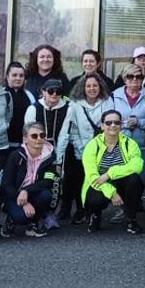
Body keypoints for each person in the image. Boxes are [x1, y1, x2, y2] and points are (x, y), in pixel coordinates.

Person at [56, 74, 113, 224]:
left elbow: (112, 127)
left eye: (95, 85)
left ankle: (94, 212)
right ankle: (81, 210)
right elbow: (69, 130)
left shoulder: (107, 102)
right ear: (83, 87)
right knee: (79, 181)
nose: (92, 89)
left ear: (100, 86)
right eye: (88, 86)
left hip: (103, 151)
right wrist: (60, 156)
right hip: (81, 150)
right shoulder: (75, 105)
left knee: (99, 181)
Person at [81, 110, 145, 234]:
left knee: (135, 180)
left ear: (121, 125)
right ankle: (95, 216)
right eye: (108, 122)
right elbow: (92, 175)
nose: (113, 125)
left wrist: (110, 174)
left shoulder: (129, 143)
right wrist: (112, 193)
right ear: (102, 125)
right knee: (95, 200)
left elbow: (138, 165)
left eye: (116, 122)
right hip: (99, 183)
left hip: (120, 181)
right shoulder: (92, 145)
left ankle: (131, 219)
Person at [22, 78, 68, 228]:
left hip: (57, 148)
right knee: (35, 179)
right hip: (36, 149)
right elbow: (28, 132)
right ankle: (33, 213)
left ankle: (50, 214)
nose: (54, 94)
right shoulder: (33, 108)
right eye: (50, 91)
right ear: (43, 92)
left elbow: (64, 133)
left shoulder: (67, 108)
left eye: (58, 92)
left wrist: (58, 156)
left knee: (55, 182)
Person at [0, 122, 56, 238]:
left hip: (33, 192)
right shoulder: (15, 156)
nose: (39, 139)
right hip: (14, 195)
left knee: (46, 195)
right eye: (34, 136)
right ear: (25, 139)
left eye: (42, 135)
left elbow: (48, 181)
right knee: (20, 217)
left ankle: (34, 222)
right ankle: (10, 219)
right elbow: (6, 184)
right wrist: (22, 200)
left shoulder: (50, 156)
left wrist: (26, 191)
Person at [111, 64, 145, 194]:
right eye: (130, 76)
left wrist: (139, 122)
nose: (134, 79)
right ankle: (124, 208)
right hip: (120, 144)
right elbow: (107, 119)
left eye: (138, 77)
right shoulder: (114, 95)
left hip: (143, 144)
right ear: (124, 79)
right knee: (122, 177)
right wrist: (123, 124)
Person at [3, 62, 36, 147]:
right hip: (2, 145)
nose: (18, 78)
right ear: (7, 77)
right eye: (14, 75)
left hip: (23, 145)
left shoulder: (29, 96)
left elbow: (33, 120)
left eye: (21, 76)